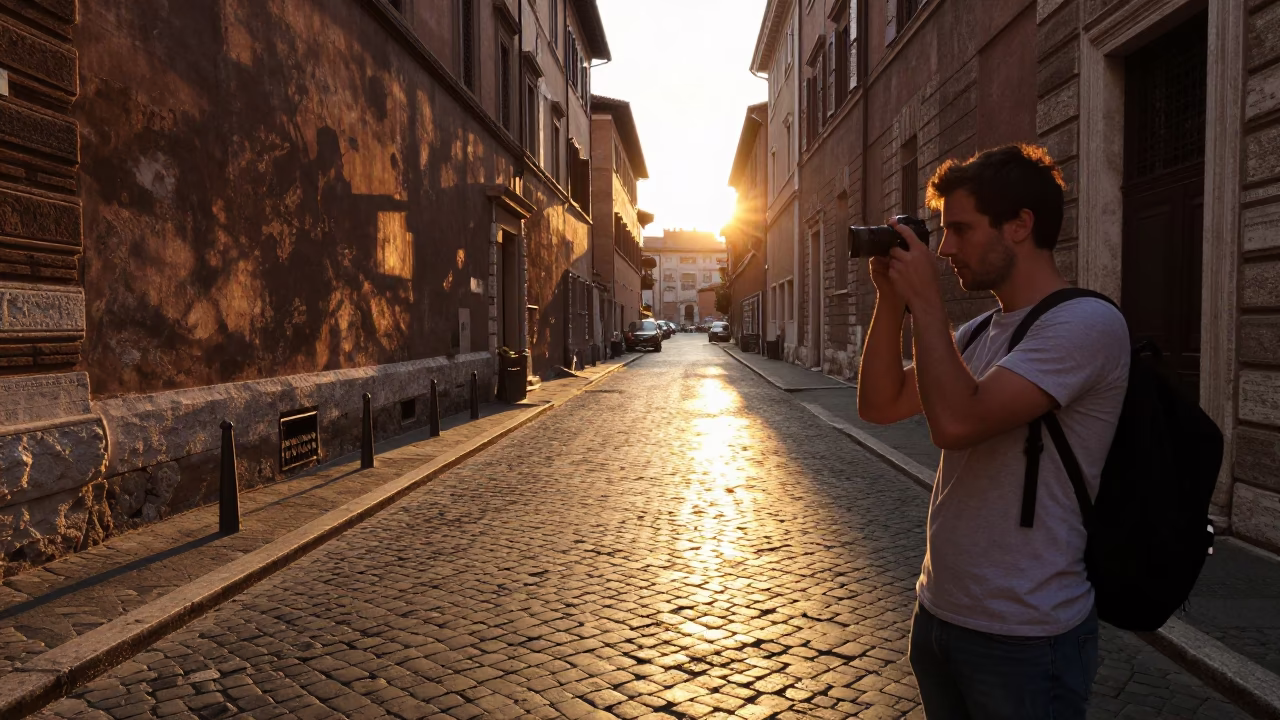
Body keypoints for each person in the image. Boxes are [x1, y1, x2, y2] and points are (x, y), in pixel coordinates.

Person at [855, 144, 1130, 719]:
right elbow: (879, 404)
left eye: (959, 229)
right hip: (941, 614)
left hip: (1026, 635)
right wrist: (890, 300)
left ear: (1020, 225)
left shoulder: (1087, 324)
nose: (946, 248)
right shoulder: (981, 331)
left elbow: (956, 423)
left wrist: (928, 305)